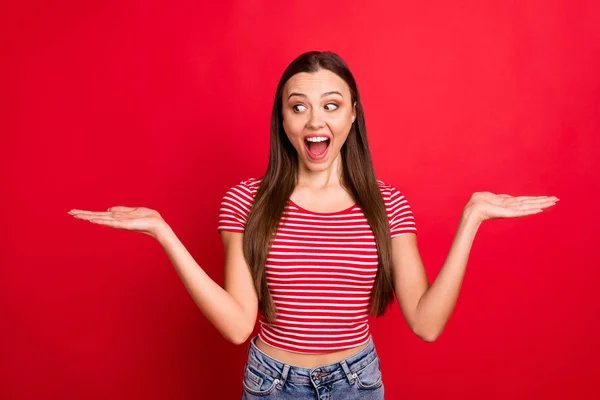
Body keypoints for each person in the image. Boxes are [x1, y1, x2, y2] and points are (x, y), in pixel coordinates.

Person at [68, 51, 558, 399]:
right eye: (298, 106)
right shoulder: (246, 201)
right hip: (272, 384)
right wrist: (162, 232)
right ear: (282, 119)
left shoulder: (386, 205)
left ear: (351, 116)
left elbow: (427, 325)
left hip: (358, 384)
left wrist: (471, 218)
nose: (313, 120)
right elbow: (239, 325)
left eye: (331, 104)